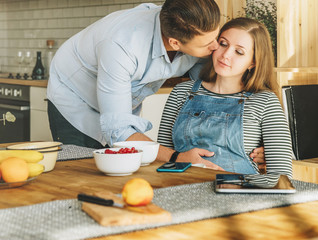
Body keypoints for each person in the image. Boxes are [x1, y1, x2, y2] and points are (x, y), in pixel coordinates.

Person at [47, 0, 265, 167]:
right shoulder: (122, 46)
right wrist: (177, 157)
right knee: (84, 170)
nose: (217, 48)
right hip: (75, 99)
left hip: (120, 103)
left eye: (218, 38)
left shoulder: (192, 27)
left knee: (126, 165)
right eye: (210, 44)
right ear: (175, 43)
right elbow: (119, 131)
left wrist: (258, 140)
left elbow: (217, 85)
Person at [158, 17, 292, 178]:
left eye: (239, 51)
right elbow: (162, 157)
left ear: (253, 62)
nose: (226, 54)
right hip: (180, 188)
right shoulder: (181, 92)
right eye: (223, 44)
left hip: (239, 197)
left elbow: (282, 175)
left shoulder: (265, 101)